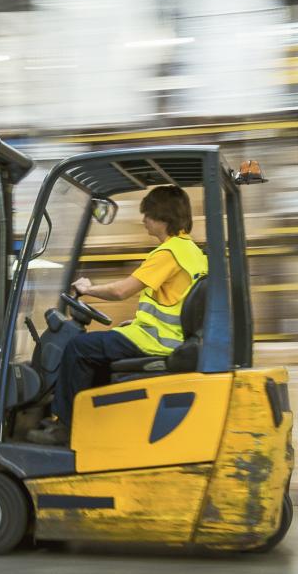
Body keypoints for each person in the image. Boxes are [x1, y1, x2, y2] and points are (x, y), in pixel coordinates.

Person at [28, 185, 208, 446]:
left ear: (162, 217)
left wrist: (88, 289)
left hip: (157, 341)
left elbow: (122, 291)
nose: (143, 220)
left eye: (147, 214)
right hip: (168, 337)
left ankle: (65, 428)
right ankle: (91, 421)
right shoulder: (194, 253)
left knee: (77, 348)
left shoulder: (168, 253)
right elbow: (173, 302)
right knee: (96, 355)